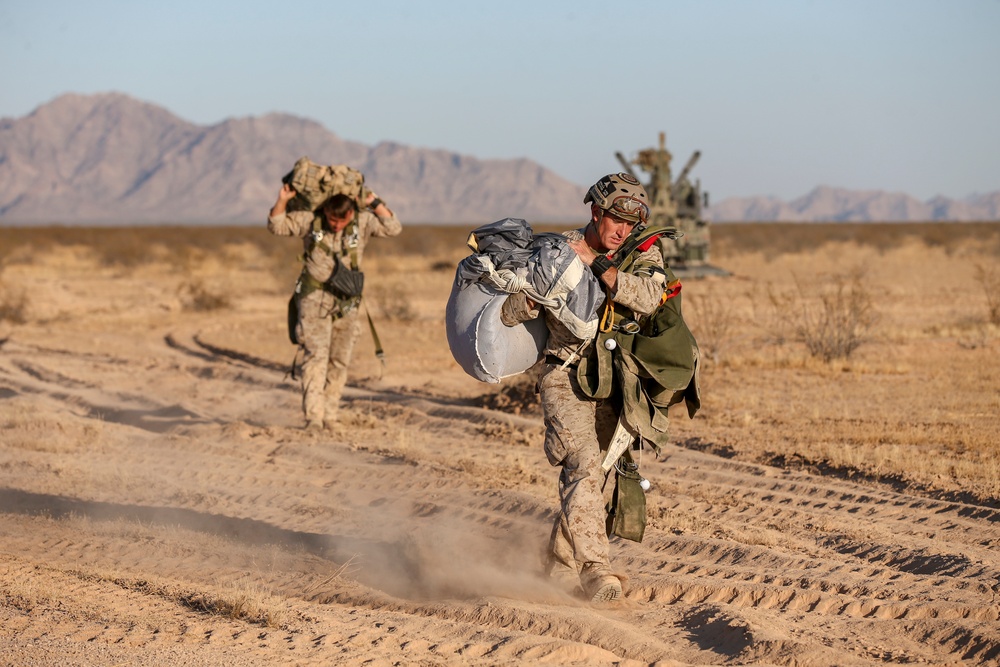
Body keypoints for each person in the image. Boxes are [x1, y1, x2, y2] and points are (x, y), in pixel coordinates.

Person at [501, 173, 673, 603]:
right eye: (616, 220)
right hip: (565, 375)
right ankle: (597, 571)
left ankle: (557, 566)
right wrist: (530, 300)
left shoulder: (642, 251)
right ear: (596, 212)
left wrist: (597, 264)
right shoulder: (556, 250)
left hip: (617, 380)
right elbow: (506, 314)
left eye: (630, 224)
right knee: (581, 465)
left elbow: (651, 297)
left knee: (595, 477)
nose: (623, 231)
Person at [268, 183, 401, 430]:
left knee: (340, 361)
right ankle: (314, 418)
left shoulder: (362, 223)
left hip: (348, 303)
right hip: (314, 300)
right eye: (332, 219)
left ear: (351, 213)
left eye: (341, 220)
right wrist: (282, 200)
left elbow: (393, 227)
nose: (336, 224)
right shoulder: (310, 222)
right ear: (325, 212)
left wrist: (373, 201)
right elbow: (276, 225)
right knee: (315, 358)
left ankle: (330, 415)